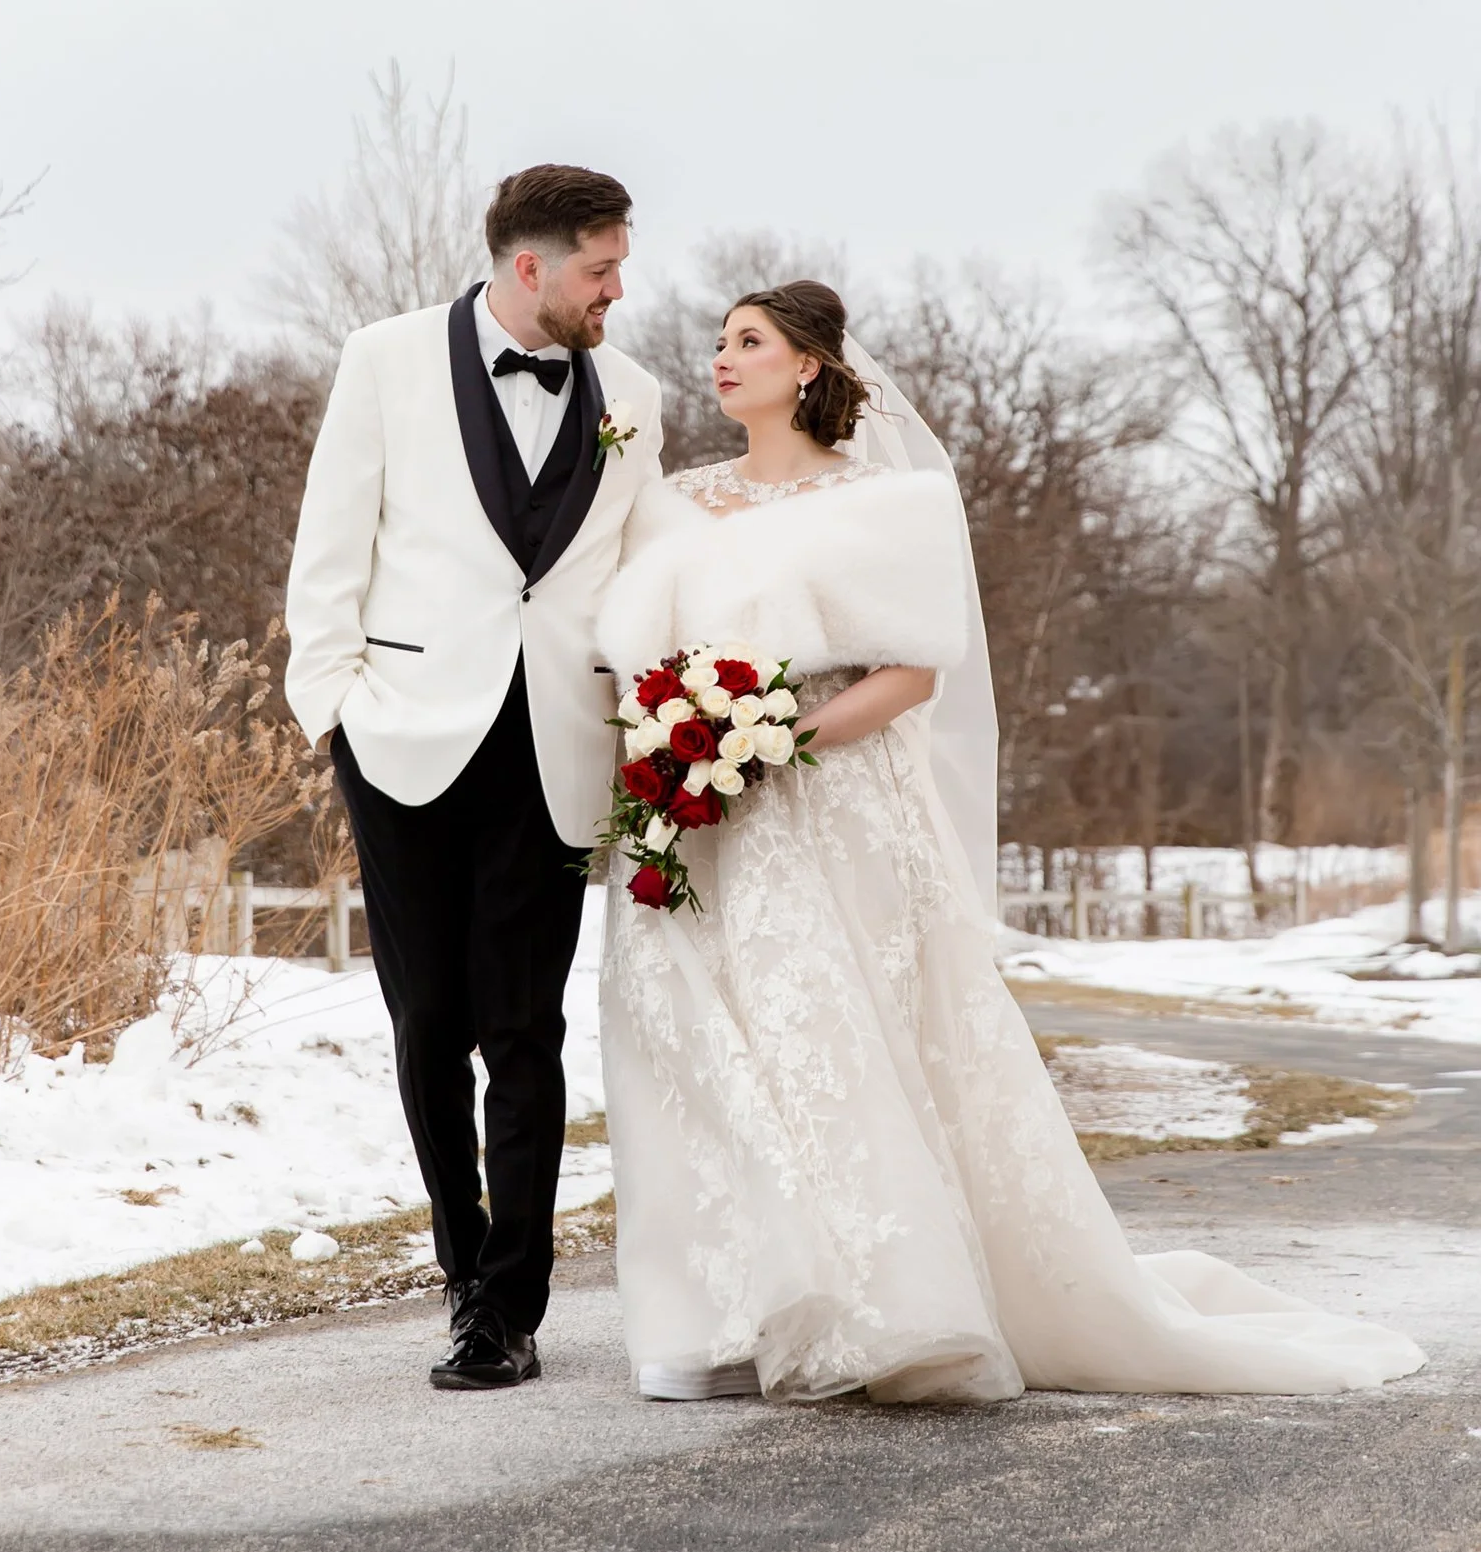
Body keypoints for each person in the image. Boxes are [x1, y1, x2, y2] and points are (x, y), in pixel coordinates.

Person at [596, 279, 1423, 1405]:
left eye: (750, 341)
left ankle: (888, 1301)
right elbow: (632, 651)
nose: (721, 358)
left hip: (828, 799)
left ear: (810, 365)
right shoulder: (676, 503)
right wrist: (678, 748)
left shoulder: (888, 501)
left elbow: (912, 673)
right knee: (707, 1046)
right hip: (695, 812)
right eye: (719, 342)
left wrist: (775, 742)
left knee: (832, 1035)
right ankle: (736, 1310)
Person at [285, 164, 663, 1389]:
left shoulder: (635, 397)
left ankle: (508, 1304)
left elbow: (645, 572)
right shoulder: (384, 360)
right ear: (530, 266)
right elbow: (329, 550)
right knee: (429, 1027)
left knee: (525, 1028)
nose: (617, 291)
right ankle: (463, 1268)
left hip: (560, 747)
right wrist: (334, 714)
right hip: (401, 737)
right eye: (601, 269)